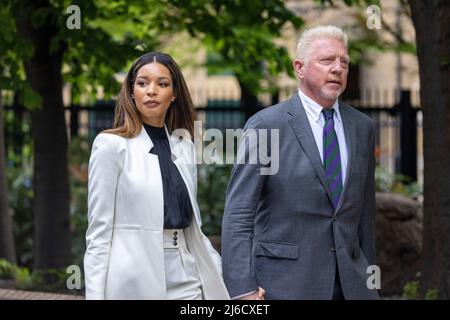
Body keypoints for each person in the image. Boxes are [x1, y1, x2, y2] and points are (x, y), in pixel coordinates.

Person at [222, 25, 379, 300]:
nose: (338, 68)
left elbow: (365, 215)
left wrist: (370, 282)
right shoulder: (266, 126)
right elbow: (238, 214)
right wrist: (241, 289)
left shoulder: (362, 127)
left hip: (352, 286)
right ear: (300, 68)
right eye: (326, 60)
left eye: (344, 62)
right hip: (283, 285)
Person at [84, 52, 230, 300]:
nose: (151, 90)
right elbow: (98, 233)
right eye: (142, 83)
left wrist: (234, 280)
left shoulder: (183, 145)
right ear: (131, 91)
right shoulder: (110, 145)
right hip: (132, 280)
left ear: (174, 94)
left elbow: (195, 229)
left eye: (162, 84)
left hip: (185, 275)